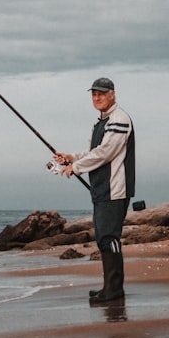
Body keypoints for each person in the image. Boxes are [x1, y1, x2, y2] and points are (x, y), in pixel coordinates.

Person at [52, 77, 135, 304]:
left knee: (110, 237)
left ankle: (115, 289)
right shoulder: (100, 122)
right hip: (101, 188)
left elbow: (106, 152)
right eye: (94, 94)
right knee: (102, 238)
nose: (97, 98)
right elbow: (93, 150)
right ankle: (108, 287)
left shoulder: (120, 120)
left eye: (101, 93)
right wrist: (71, 157)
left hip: (115, 188)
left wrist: (75, 168)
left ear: (113, 94)